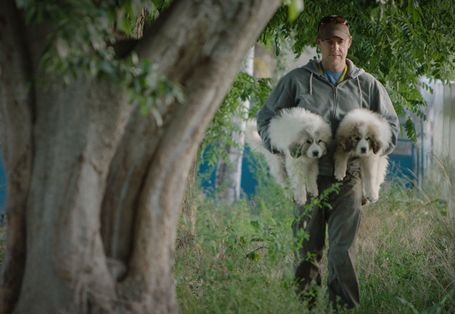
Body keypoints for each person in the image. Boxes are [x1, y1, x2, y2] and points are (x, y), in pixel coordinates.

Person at [256, 15, 400, 309]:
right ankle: (305, 308)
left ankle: (343, 309)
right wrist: (282, 147)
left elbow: (391, 127)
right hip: (308, 180)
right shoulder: (297, 80)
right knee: (308, 253)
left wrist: (372, 147)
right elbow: (266, 117)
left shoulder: (367, 85)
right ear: (319, 44)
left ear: (349, 44)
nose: (335, 47)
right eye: (329, 41)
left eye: (340, 41)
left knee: (341, 253)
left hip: (349, 180)